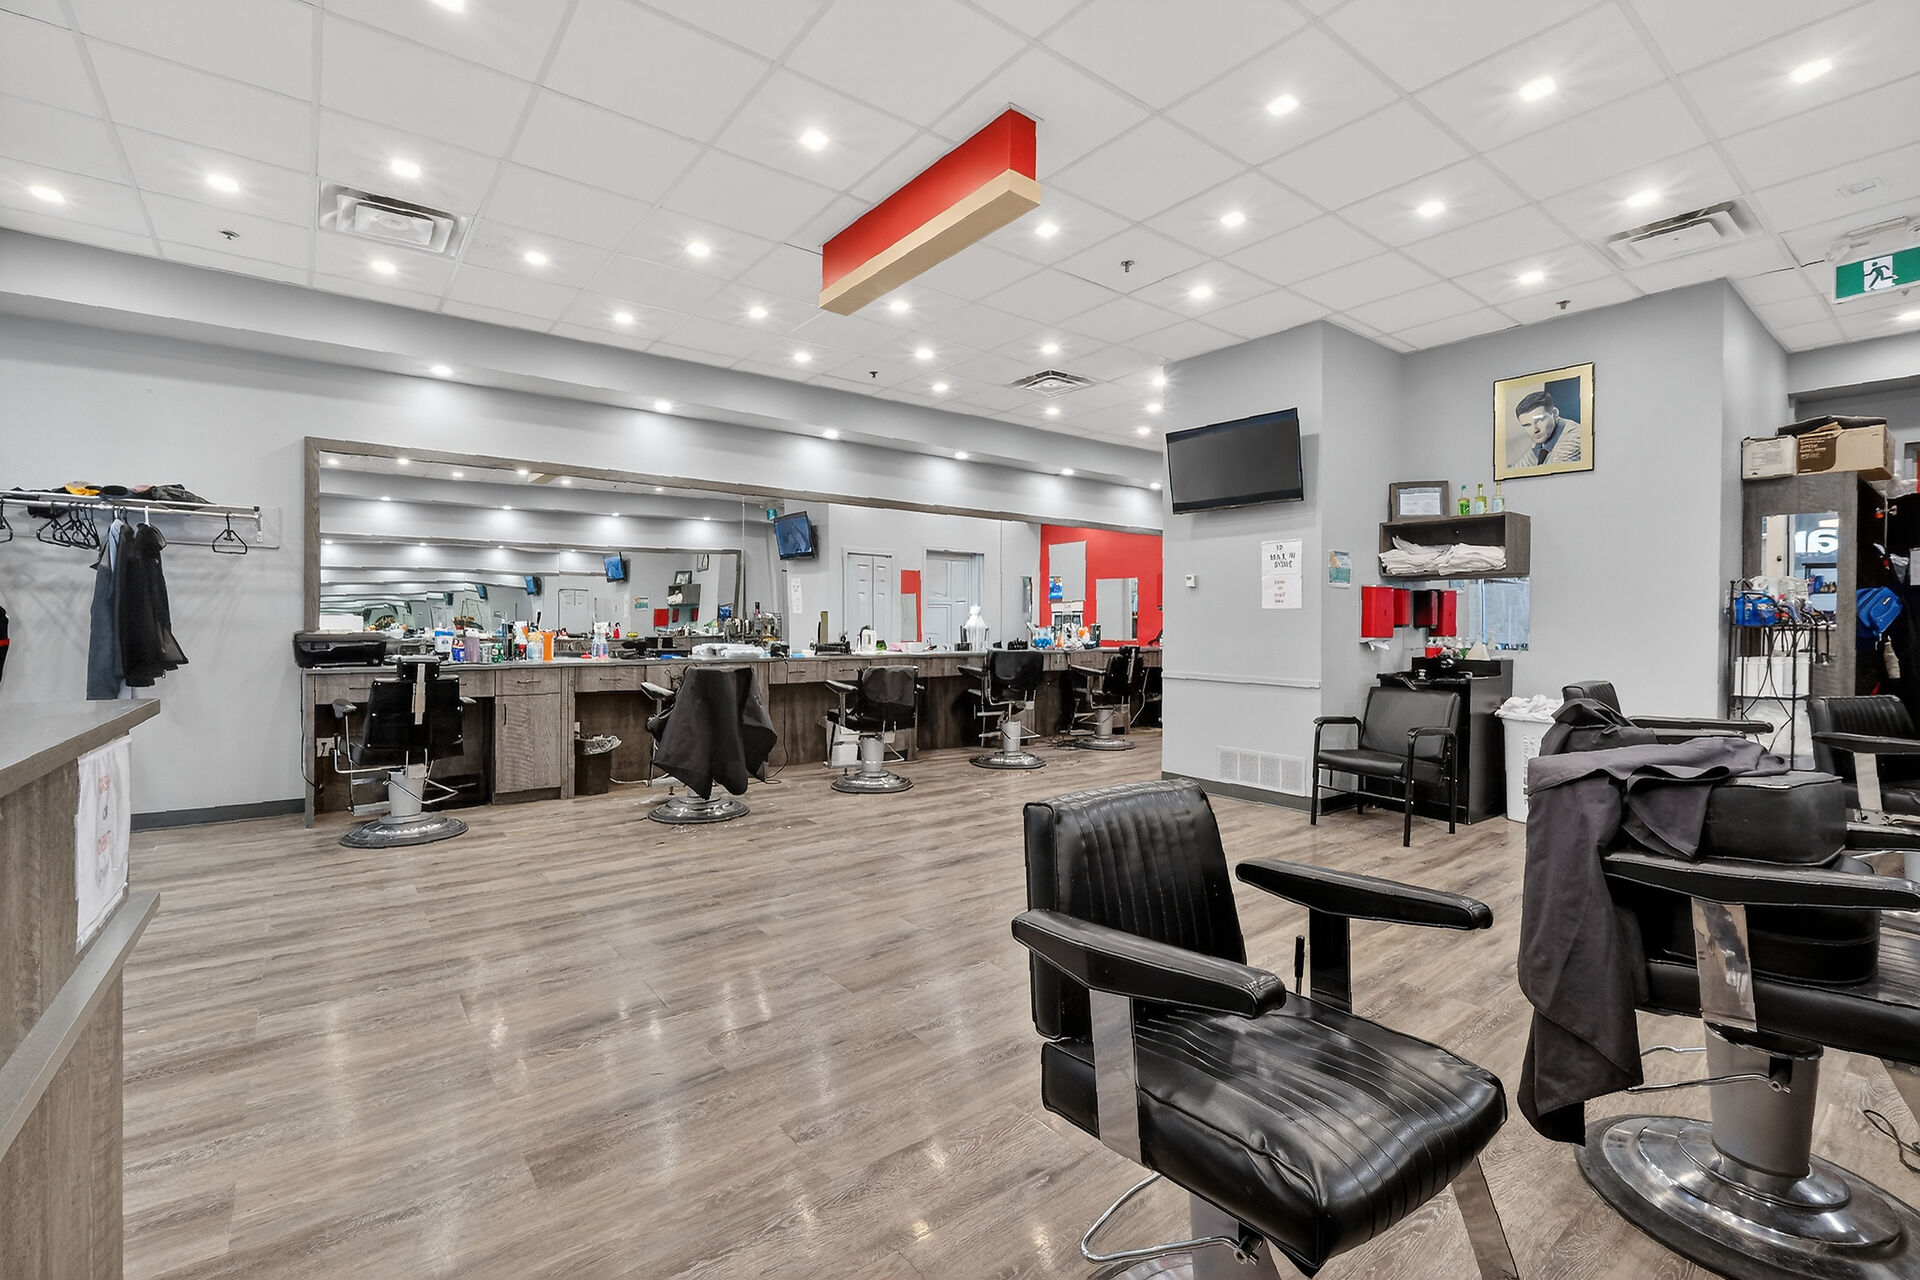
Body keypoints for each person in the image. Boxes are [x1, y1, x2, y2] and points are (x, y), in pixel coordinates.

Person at [1511, 389, 1583, 469]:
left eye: (1540, 420)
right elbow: (1517, 470)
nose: (1535, 430)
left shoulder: (1574, 438)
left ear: (1554, 413)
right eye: (1527, 425)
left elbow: (1550, 474)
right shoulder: (1543, 438)